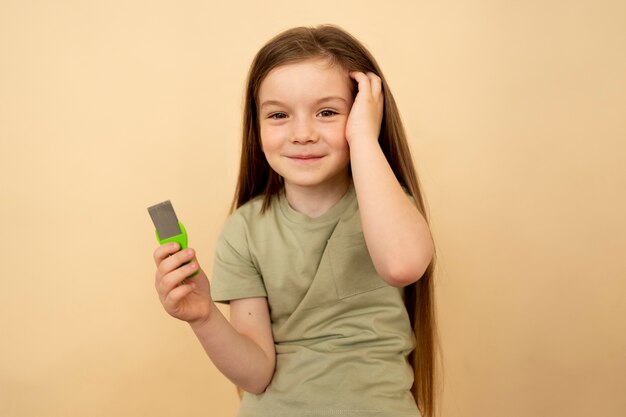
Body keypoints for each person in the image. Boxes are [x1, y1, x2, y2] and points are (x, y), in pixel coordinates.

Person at [153, 25, 438, 417]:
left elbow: (402, 264)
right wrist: (203, 316)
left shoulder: (387, 208)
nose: (302, 134)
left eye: (327, 112)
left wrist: (365, 140)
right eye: (279, 115)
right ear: (257, 126)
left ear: (362, 115)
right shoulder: (244, 230)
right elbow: (255, 374)